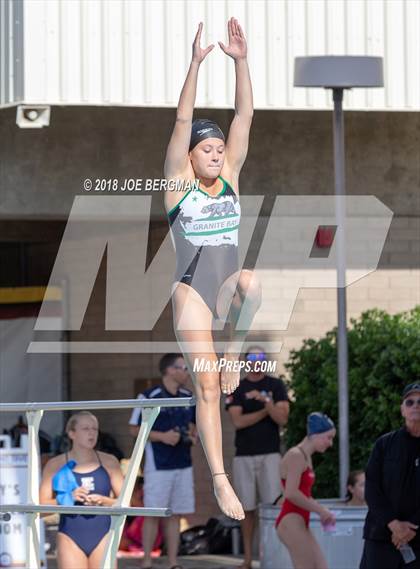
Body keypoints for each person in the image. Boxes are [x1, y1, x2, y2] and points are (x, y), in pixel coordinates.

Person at [164, 17, 262, 521]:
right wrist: (197, 64)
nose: (218, 152)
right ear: (190, 156)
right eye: (209, 148)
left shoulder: (230, 178)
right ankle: (221, 482)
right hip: (192, 292)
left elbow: (245, 113)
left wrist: (241, 61)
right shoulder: (178, 186)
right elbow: (182, 123)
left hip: (225, 284)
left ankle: (234, 355)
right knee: (206, 388)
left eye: (221, 148)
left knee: (251, 281)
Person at [128, 353, 198, 569]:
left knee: (176, 513)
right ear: (169, 370)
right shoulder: (149, 396)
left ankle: (173, 562)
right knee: (153, 513)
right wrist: (163, 436)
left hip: (183, 463)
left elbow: (195, 423)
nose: (187, 372)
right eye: (183, 368)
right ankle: (147, 560)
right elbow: (133, 429)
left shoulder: (188, 396)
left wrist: (193, 436)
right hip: (158, 465)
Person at [225, 346, 289, 569]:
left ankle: (273, 556)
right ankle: (248, 559)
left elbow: (282, 418)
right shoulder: (237, 387)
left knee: (272, 507)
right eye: (252, 357)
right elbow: (238, 422)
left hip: (270, 454)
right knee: (247, 509)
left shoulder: (276, 385)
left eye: (261, 357)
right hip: (244, 455)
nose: (256, 360)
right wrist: (265, 411)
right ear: (245, 361)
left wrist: (266, 401)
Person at [39, 411, 124, 569]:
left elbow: (128, 504)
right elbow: (40, 509)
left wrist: (104, 501)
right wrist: (67, 498)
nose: (92, 433)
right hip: (70, 536)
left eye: (95, 429)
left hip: (103, 535)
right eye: (85, 429)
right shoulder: (55, 465)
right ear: (72, 433)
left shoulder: (109, 462)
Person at [360, 382, 420, 568]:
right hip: (381, 537)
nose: (415, 406)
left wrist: (412, 527)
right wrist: (394, 524)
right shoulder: (384, 444)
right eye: (409, 402)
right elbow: (372, 488)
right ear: (402, 409)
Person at [275, 412, 336, 569]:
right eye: (328, 437)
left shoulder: (306, 457)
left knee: (321, 566)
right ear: (315, 435)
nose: (330, 443)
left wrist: (323, 511)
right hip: (290, 520)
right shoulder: (296, 455)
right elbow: (291, 493)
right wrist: (321, 510)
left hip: (300, 519)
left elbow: (305, 495)